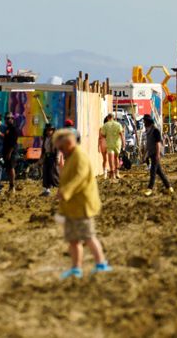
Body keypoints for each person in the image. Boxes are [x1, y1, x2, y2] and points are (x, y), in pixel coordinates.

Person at [55, 128, 112, 279]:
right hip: (71, 207)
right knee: (73, 239)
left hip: (83, 205)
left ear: (68, 143)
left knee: (88, 236)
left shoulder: (79, 156)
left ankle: (101, 263)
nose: (60, 151)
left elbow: (79, 178)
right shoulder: (71, 156)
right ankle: (76, 268)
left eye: (61, 148)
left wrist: (65, 191)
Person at [143, 114, 173, 196]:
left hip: (155, 154)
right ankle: (169, 188)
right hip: (151, 153)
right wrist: (144, 154)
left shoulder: (155, 130)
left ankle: (149, 189)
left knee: (153, 172)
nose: (144, 123)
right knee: (160, 172)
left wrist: (157, 154)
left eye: (144, 121)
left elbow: (158, 144)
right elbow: (148, 144)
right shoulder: (148, 131)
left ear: (148, 122)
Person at [100, 113, 125, 180]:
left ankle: (113, 174)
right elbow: (122, 135)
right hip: (117, 144)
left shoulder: (105, 125)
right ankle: (117, 172)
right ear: (113, 117)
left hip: (109, 144)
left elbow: (102, 136)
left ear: (108, 118)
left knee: (111, 159)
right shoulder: (118, 124)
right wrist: (124, 144)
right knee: (116, 158)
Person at [40, 125, 60, 196]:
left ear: (53, 131)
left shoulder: (55, 139)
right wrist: (41, 157)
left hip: (53, 157)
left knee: (54, 174)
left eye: (50, 130)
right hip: (47, 157)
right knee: (45, 173)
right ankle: (47, 190)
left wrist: (57, 158)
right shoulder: (45, 138)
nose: (49, 131)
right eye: (47, 130)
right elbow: (43, 149)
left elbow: (57, 149)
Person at [2, 114, 19, 194]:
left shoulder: (14, 129)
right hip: (6, 151)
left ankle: (13, 186)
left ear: (13, 119)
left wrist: (9, 153)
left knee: (11, 168)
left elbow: (13, 143)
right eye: (7, 118)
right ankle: (10, 186)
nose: (9, 120)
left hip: (11, 152)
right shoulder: (7, 129)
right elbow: (6, 138)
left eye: (10, 118)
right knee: (8, 168)